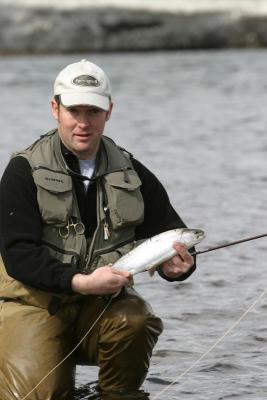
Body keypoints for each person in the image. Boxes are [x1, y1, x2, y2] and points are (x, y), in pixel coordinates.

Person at [0, 59, 196, 400]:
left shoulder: (133, 172)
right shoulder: (22, 171)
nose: (83, 123)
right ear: (55, 109)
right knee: (36, 396)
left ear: (109, 111)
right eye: (74, 110)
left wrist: (180, 268)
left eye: (94, 111)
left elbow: (172, 232)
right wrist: (81, 282)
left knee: (136, 320)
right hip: (34, 303)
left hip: (103, 305)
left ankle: (117, 395)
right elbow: (18, 255)